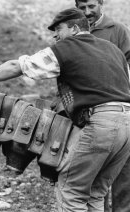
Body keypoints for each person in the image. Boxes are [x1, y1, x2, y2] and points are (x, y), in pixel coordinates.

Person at [0, 8, 130, 212]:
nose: (56, 35)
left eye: (59, 29)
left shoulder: (68, 47)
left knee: (71, 191)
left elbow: (16, 66)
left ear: (75, 28)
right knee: (95, 192)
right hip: (127, 125)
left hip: (102, 124)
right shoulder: (113, 50)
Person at [75, 1, 130, 211]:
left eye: (91, 6)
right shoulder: (74, 32)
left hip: (120, 111)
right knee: (94, 177)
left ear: (101, 3)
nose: (87, 12)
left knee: (123, 176)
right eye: (82, 7)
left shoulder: (117, 31)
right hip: (88, 116)